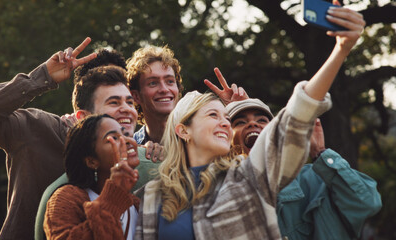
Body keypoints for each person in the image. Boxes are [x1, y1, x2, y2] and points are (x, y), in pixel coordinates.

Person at [135, 5, 365, 239]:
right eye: (214, 115)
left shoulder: (249, 176)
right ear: (184, 130)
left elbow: (297, 114)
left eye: (227, 117)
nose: (226, 123)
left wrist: (341, 50)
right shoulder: (152, 194)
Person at [0, 38, 139, 239]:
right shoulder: (37, 128)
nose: (126, 109)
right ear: (83, 117)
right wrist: (42, 77)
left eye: (130, 102)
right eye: (113, 102)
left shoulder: (139, 158)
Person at [227, 98, 382, 239]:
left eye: (262, 120)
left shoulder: (316, 178)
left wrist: (320, 153)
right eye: (240, 122)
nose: (253, 124)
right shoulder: (218, 193)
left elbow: (366, 203)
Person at [44, 114, 140, 240]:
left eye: (125, 135)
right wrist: (113, 197)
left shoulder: (137, 204)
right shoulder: (66, 198)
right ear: (91, 161)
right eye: (114, 138)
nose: (126, 141)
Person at [127, 45, 183, 145]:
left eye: (170, 81)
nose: (164, 89)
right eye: (153, 83)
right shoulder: (131, 149)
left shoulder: (199, 139)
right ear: (136, 96)